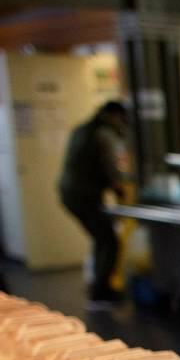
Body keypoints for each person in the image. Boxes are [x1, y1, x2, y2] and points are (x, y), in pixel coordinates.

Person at [58, 100, 130, 309]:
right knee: (109, 240)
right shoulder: (103, 134)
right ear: (115, 116)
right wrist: (119, 188)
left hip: (70, 192)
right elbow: (110, 168)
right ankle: (100, 292)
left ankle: (98, 286)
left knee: (102, 238)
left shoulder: (82, 130)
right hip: (83, 194)